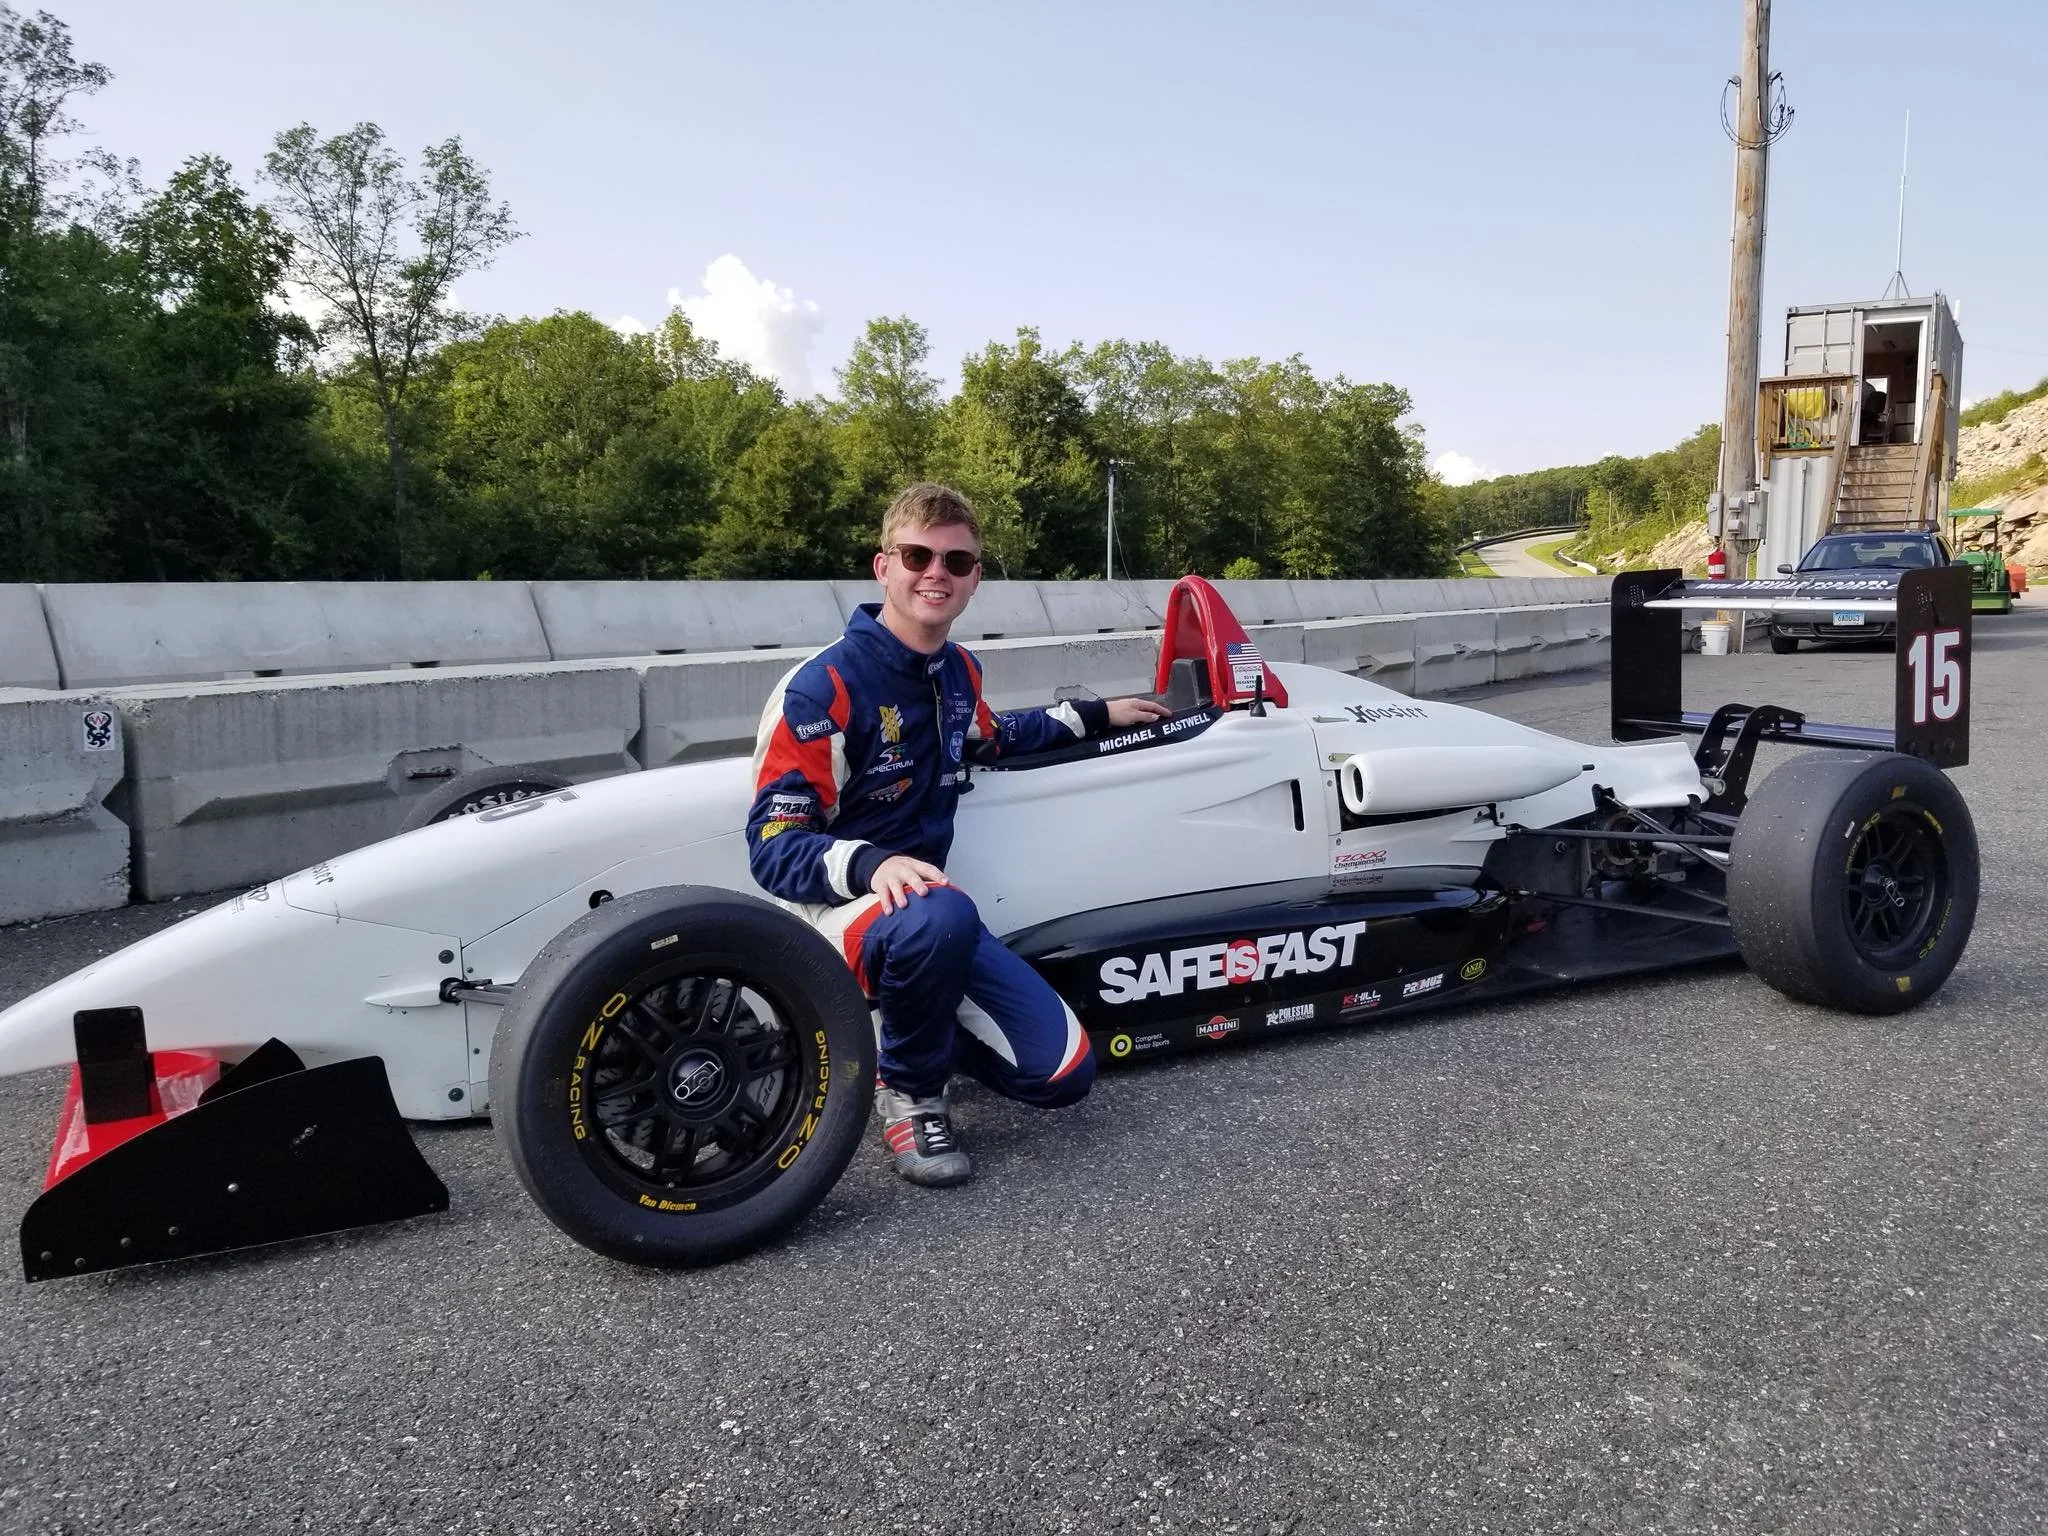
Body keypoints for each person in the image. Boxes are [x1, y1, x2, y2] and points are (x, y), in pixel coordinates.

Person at [745, 483, 1170, 1186]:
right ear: (885, 567)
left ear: (975, 579)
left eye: (956, 559)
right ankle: (911, 1096)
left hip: (926, 915)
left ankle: (910, 1029)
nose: (934, 571)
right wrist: (873, 864)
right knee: (941, 911)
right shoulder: (821, 688)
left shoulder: (959, 671)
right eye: (917, 555)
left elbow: (995, 737)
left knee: (1063, 1075)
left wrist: (1098, 714)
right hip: (833, 918)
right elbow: (774, 849)